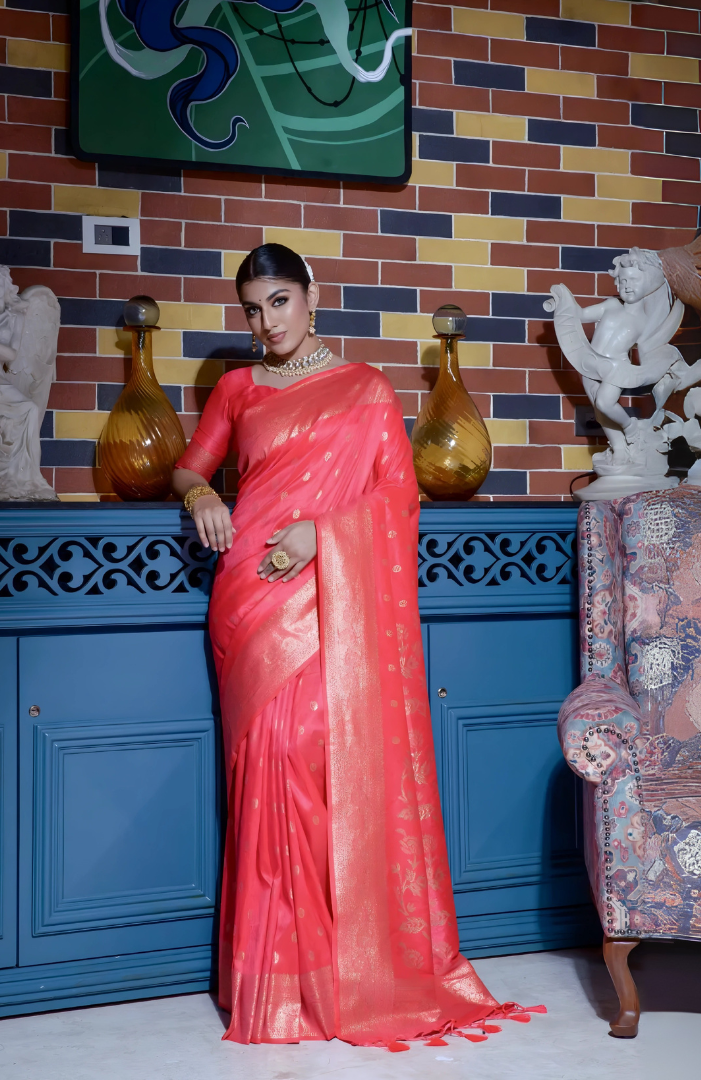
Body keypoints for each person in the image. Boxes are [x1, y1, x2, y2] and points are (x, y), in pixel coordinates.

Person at [171, 244, 524, 1047]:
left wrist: (320, 535)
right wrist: (200, 501)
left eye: (280, 303)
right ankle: (274, 982)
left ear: (312, 297)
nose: (267, 324)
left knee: (324, 759)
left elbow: (397, 497)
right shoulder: (236, 388)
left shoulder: (365, 390)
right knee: (266, 765)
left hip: (329, 591)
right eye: (253, 310)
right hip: (251, 597)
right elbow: (189, 469)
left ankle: (343, 965)